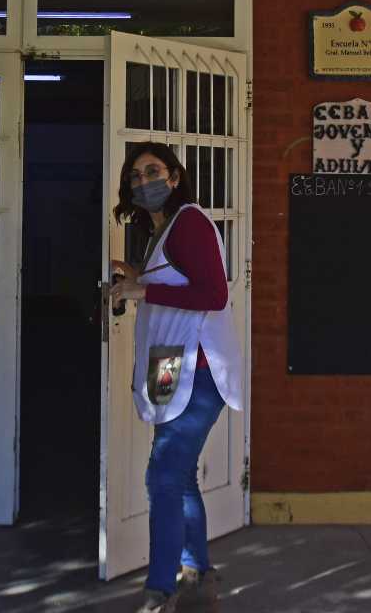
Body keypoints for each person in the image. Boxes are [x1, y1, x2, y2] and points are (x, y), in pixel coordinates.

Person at [109, 142, 244, 613]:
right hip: (170, 363)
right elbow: (171, 286)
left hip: (199, 369)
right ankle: (197, 573)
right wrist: (133, 276)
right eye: (134, 175)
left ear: (174, 176)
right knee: (178, 475)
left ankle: (160, 588)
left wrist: (140, 288)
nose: (142, 181)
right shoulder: (162, 231)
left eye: (151, 171)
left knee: (162, 478)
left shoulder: (190, 222)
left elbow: (213, 294)